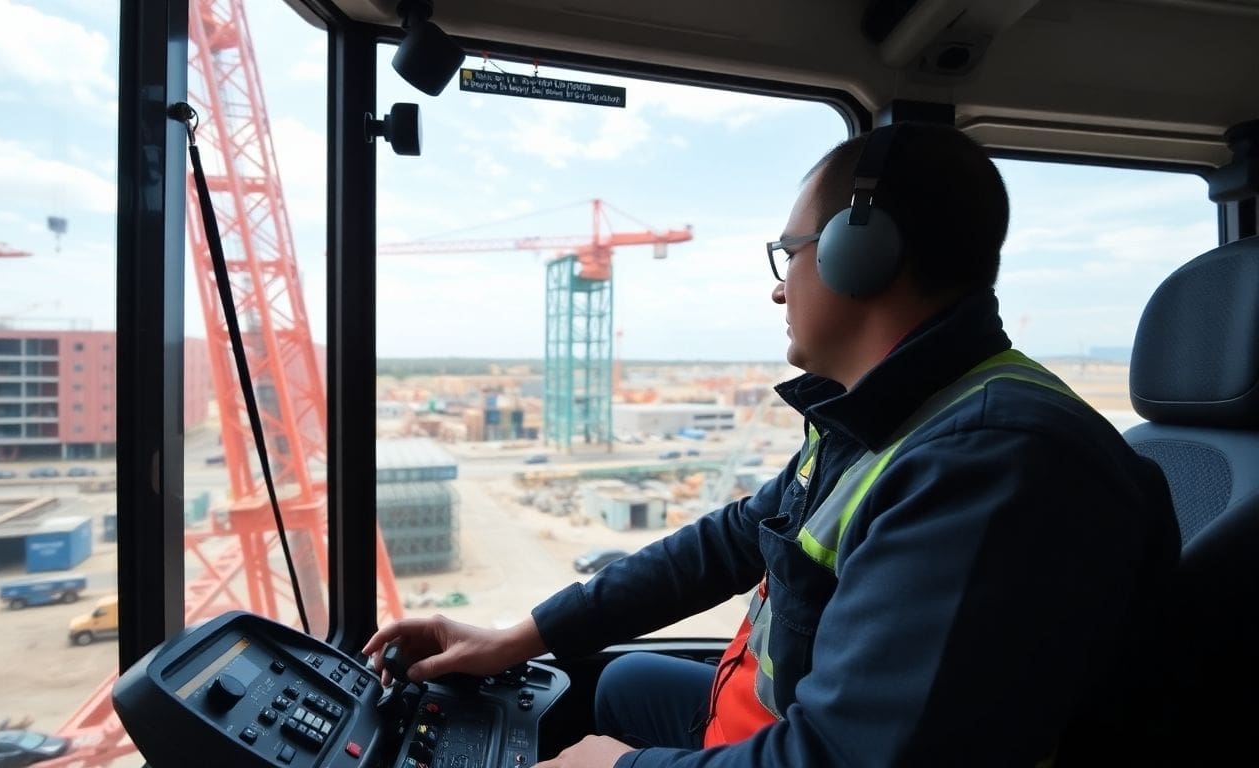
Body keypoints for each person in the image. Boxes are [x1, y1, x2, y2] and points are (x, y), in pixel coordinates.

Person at [364, 122, 1180, 767]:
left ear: (865, 250)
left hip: (810, 746)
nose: (777, 285)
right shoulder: (892, 417)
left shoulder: (995, 462)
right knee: (619, 679)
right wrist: (518, 635)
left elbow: (849, 759)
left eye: (790, 253)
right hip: (770, 714)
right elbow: (727, 540)